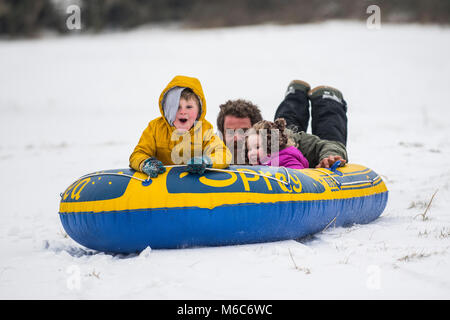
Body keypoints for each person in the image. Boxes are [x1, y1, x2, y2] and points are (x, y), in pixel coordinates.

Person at [216, 80, 348, 168]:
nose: (237, 137)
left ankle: (327, 98)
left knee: (329, 130)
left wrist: (327, 158)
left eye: (244, 131)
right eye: (230, 132)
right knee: (287, 120)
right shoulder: (215, 149)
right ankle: (296, 92)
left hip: (285, 142)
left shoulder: (281, 142)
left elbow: (328, 145)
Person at [129, 75, 232, 177]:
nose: (183, 112)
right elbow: (137, 154)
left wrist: (206, 161)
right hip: (160, 184)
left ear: (199, 111)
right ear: (168, 109)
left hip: (194, 183)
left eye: (189, 107)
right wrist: (145, 163)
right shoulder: (155, 128)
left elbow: (224, 154)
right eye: (177, 107)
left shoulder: (204, 129)